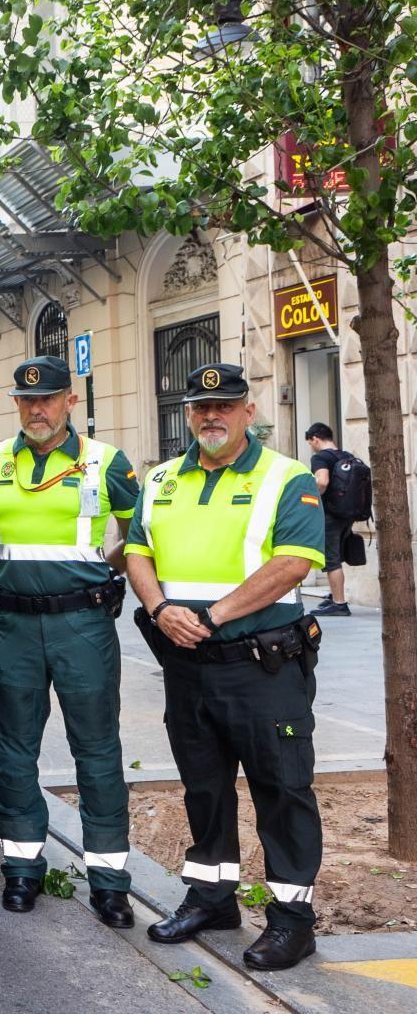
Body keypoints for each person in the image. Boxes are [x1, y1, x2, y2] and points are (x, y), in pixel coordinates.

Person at [126, 363, 325, 971]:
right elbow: (137, 550)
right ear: (188, 413)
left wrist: (210, 616)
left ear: (249, 411)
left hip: (262, 667)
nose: (211, 416)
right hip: (187, 665)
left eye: (225, 406)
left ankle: (292, 920)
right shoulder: (160, 479)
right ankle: (213, 898)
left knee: (281, 789)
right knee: (204, 788)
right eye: (200, 407)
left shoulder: (286, 478)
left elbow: (294, 562)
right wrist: (159, 608)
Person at [0, 356, 138, 927]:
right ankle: (22, 869)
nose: (35, 409)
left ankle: (110, 881)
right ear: (15, 403)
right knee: (14, 748)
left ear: (71, 400)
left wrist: (104, 571)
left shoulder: (105, 462)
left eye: (47, 398)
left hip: (82, 625)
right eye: (25, 400)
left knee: (96, 748)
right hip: (13, 625)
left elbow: (142, 534)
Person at [303, 422, 352, 616]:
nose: (312, 447)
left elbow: (322, 482)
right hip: (345, 514)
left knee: (331, 560)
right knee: (336, 556)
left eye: (310, 443)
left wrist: (311, 499)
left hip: (329, 514)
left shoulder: (321, 457)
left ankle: (339, 604)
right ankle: (334, 596)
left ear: (315, 439)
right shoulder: (345, 455)